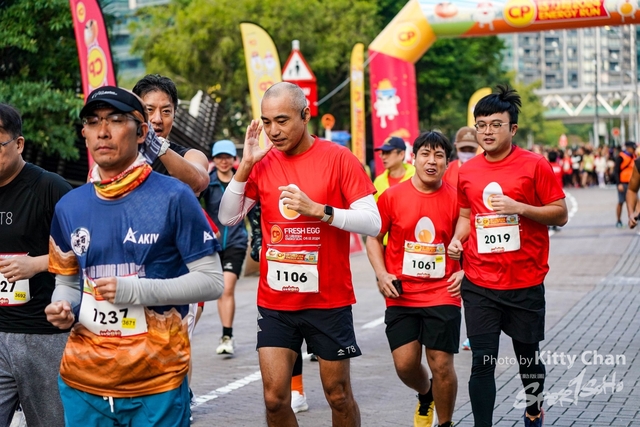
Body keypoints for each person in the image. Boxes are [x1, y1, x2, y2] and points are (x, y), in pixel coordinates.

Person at [44, 86, 224, 426]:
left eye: (115, 120)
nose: (103, 131)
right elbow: (66, 283)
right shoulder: (69, 206)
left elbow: (212, 281)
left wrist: (134, 291)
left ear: (142, 132)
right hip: (84, 383)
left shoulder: (174, 196)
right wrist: (62, 306)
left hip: (157, 382)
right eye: (93, 121)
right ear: (84, 133)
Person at [218, 82, 381, 427]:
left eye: (282, 120)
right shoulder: (262, 163)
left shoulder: (338, 158)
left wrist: (320, 210)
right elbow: (228, 217)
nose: (273, 131)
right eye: (266, 122)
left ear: (305, 115)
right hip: (276, 302)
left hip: (328, 301)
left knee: (338, 395)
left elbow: (372, 222)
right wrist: (245, 165)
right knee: (274, 399)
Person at [447, 85, 568, 427]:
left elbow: (560, 213)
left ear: (512, 129)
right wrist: (457, 240)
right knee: (482, 362)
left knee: (528, 360)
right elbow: (467, 216)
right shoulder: (467, 171)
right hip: (480, 281)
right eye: (481, 125)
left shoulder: (535, 165)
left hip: (525, 281)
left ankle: (533, 409)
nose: (487, 132)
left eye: (495, 125)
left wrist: (520, 208)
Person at [366, 131, 463, 427]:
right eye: (426, 154)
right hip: (401, 294)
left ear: (447, 162)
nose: (432, 161)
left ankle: (445, 423)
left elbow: (469, 241)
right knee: (405, 365)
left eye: (439, 156)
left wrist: (464, 271)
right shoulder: (392, 196)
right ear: (414, 158)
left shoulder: (458, 200)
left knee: (441, 364)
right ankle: (426, 393)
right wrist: (381, 273)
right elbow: (373, 238)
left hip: (443, 291)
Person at [0, 103, 72, 427]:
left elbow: (88, 250)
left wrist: (38, 264)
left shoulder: (50, 188)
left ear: (18, 144)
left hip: (43, 335)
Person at [202, 139, 252, 355]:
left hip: (236, 243)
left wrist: (258, 238)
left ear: (234, 159)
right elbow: (196, 209)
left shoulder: (242, 182)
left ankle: (227, 336)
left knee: (227, 288)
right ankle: (226, 335)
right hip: (213, 244)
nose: (224, 161)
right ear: (213, 160)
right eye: (219, 157)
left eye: (227, 157)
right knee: (219, 290)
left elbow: (254, 211)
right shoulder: (207, 183)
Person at [132, 74, 209, 194]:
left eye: (166, 111)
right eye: (149, 110)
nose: (157, 119)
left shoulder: (190, 156)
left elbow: (199, 181)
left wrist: (158, 145)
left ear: (174, 115)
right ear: (134, 113)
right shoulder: (119, 154)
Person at [373, 136, 415, 200]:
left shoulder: (416, 176)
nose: (383, 157)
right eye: (382, 153)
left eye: (388, 152)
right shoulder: (378, 182)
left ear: (401, 154)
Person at [613, 141, 637, 227]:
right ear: (628, 148)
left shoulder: (634, 157)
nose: (633, 150)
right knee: (621, 202)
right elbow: (616, 171)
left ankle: (633, 219)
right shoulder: (621, 157)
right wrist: (618, 184)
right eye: (632, 148)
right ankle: (618, 220)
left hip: (633, 183)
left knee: (635, 202)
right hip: (623, 183)